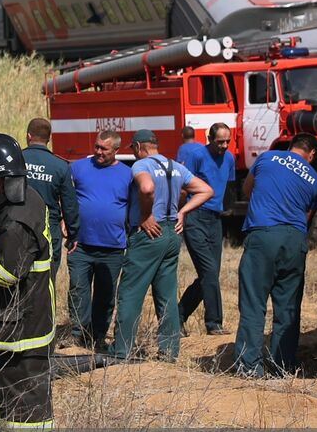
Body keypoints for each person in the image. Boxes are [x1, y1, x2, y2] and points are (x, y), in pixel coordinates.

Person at [0, 134, 55, 432]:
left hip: (22, 327)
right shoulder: (15, 200)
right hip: (8, 323)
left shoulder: (17, 218)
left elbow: (4, 271)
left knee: (25, 399)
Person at [111, 130, 212, 361]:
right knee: (166, 293)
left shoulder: (141, 165)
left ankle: (121, 351)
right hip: (171, 233)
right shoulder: (176, 166)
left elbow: (146, 188)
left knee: (130, 292)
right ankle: (169, 351)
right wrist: (183, 212)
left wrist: (146, 215)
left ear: (138, 147)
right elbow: (206, 190)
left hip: (149, 233)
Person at [234, 133, 317, 377]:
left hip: (263, 234)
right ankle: (282, 367)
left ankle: (249, 366)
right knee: (288, 307)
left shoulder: (268, 157)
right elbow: (307, 217)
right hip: (294, 240)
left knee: (254, 302)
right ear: (312, 154)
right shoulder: (315, 179)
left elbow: (247, 188)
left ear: (291, 146)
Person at [66, 130, 132, 351]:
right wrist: (63, 220)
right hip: (80, 244)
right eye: (96, 147)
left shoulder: (127, 174)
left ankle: (98, 336)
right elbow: (62, 193)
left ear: (116, 150)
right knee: (78, 290)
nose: (98, 152)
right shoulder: (78, 167)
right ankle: (78, 335)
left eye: (104, 149)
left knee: (105, 294)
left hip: (112, 247)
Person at [178, 122, 236, 335]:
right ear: (209, 139)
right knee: (209, 271)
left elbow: (228, 186)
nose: (224, 145)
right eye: (220, 141)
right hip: (195, 217)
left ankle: (177, 316)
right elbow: (183, 186)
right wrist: (181, 212)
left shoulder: (229, 158)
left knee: (210, 274)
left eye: (228, 141)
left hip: (215, 219)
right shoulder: (196, 155)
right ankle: (214, 323)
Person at [21, 117, 80, 286]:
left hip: (19, 226)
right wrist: (73, 234)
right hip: (49, 228)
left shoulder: (17, 159)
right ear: (49, 139)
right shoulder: (60, 166)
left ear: (28, 136)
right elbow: (70, 204)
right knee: (46, 283)